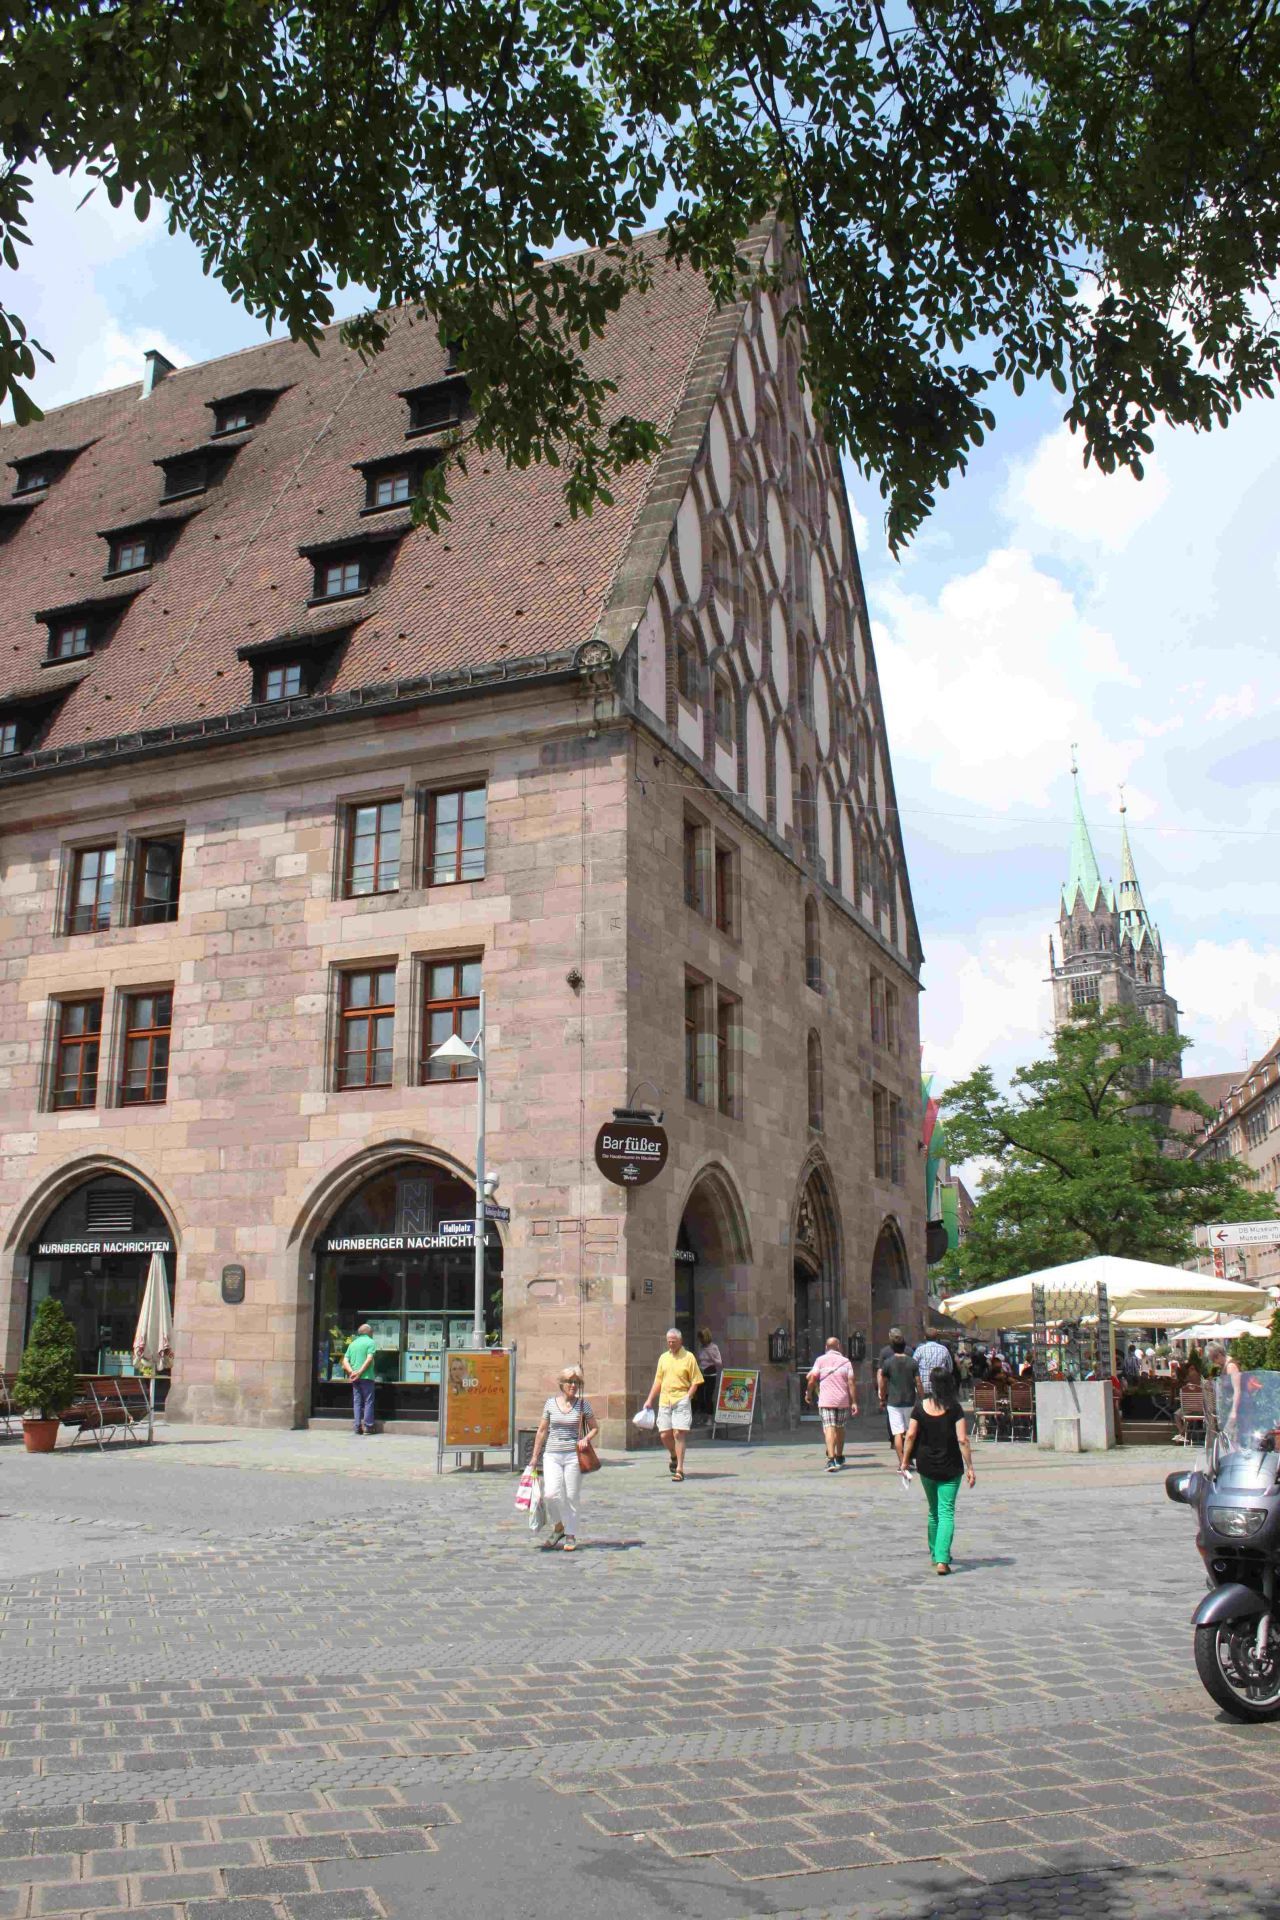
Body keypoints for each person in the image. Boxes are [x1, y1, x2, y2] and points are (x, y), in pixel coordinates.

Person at [901, 1366, 976, 1575]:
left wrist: (905, 1461)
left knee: (934, 1511)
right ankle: (942, 1559)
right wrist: (970, 1467)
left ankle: (936, 1554)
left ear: (931, 1385)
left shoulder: (920, 1407)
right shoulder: (955, 1408)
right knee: (946, 1511)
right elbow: (963, 1439)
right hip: (950, 1466)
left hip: (926, 1465)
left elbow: (910, 1435)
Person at [528, 1364, 598, 1552]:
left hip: (573, 1456)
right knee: (551, 1494)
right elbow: (542, 1430)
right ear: (561, 1384)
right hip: (552, 1455)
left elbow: (594, 1428)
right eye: (569, 1381)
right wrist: (534, 1456)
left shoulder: (583, 1405)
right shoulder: (550, 1404)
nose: (573, 1385)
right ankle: (558, 1526)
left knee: (571, 1496)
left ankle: (571, 1534)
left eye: (576, 1382)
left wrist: (585, 1439)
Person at [642, 1329, 704, 1480]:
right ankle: (673, 1455)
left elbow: (696, 1381)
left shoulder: (689, 1357)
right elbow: (658, 1381)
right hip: (665, 1400)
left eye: (673, 1341)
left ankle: (680, 1470)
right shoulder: (663, 1358)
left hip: (681, 1399)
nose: (670, 1344)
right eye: (668, 1341)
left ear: (680, 1341)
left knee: (678, 1433)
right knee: (664, 1434)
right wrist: (649, 1399)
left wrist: (688, 1397)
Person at [806, 1336, 859, 1471]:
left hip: (826, 1400)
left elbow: (812, 1378)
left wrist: (808, 1393)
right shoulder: (846, 1362)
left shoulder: (820, 1360)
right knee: (840, 1428)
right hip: (842, 1400)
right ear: (839, 1347)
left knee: (829, 1427)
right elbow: (851, 1382)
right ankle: (839, 1456)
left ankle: (831, 1460)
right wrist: (854, 1402)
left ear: (826, 1347)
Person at [877, 1328, 918, 1467]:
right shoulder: (910, 1353)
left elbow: (881, 1376)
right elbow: (917, 1379)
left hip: (893, 1397)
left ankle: (902, 1461)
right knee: (909, 1431)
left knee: (897, 1432)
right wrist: (921, 1395)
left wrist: (881, 1395)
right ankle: (909, 1458)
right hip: (910, 1397)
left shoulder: (885, 1354)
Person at [341, 1322, 378, 1435]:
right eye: (372, 1332)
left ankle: (357, 1426)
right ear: (369, 1332)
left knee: (357, 1401)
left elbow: (345, 1360)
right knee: (368, 1401)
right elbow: (369, 1358)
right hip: (367, 1376)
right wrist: (360, 1372)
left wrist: (352, 1372)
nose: (372, 1333)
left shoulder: (353, 1344)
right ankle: (368, 1426)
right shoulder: (371, 1342)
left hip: (355, 1378)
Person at [1206, 1342, 1244, 1444]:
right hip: (1227, 1408)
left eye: (1213, 1359)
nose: (1214, 1363)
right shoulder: (1224, 1367)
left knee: (1232, 1439)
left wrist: (1234, 1411)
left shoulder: (1231, 1366)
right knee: (1229, 1439)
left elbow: (1237, 1390)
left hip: (1235, 1409)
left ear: (1219, 1355)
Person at [695, 1326, 722, 1424]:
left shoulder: (714, 1347)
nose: (700, 1341)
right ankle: (702, 1416)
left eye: (702, 1338)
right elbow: (700, 1359)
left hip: (710, 1374)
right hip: (701, 1374)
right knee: (700, 1396)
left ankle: (709, 1418)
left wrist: (711, 1356)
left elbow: (719, 1362)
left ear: (706, 1337)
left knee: (708, 1396)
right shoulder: (701, 1347)